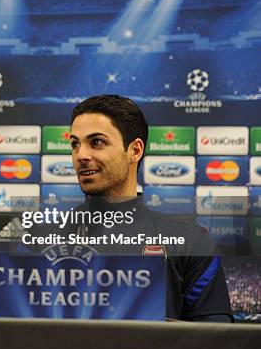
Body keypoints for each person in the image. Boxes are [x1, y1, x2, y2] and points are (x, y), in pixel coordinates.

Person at [67, 94, 233, 322]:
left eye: (96, 142)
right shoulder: (41, 238)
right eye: (75, 144)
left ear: (134, 150)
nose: (81, 155)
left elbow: (215, 338)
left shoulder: (191, 241)